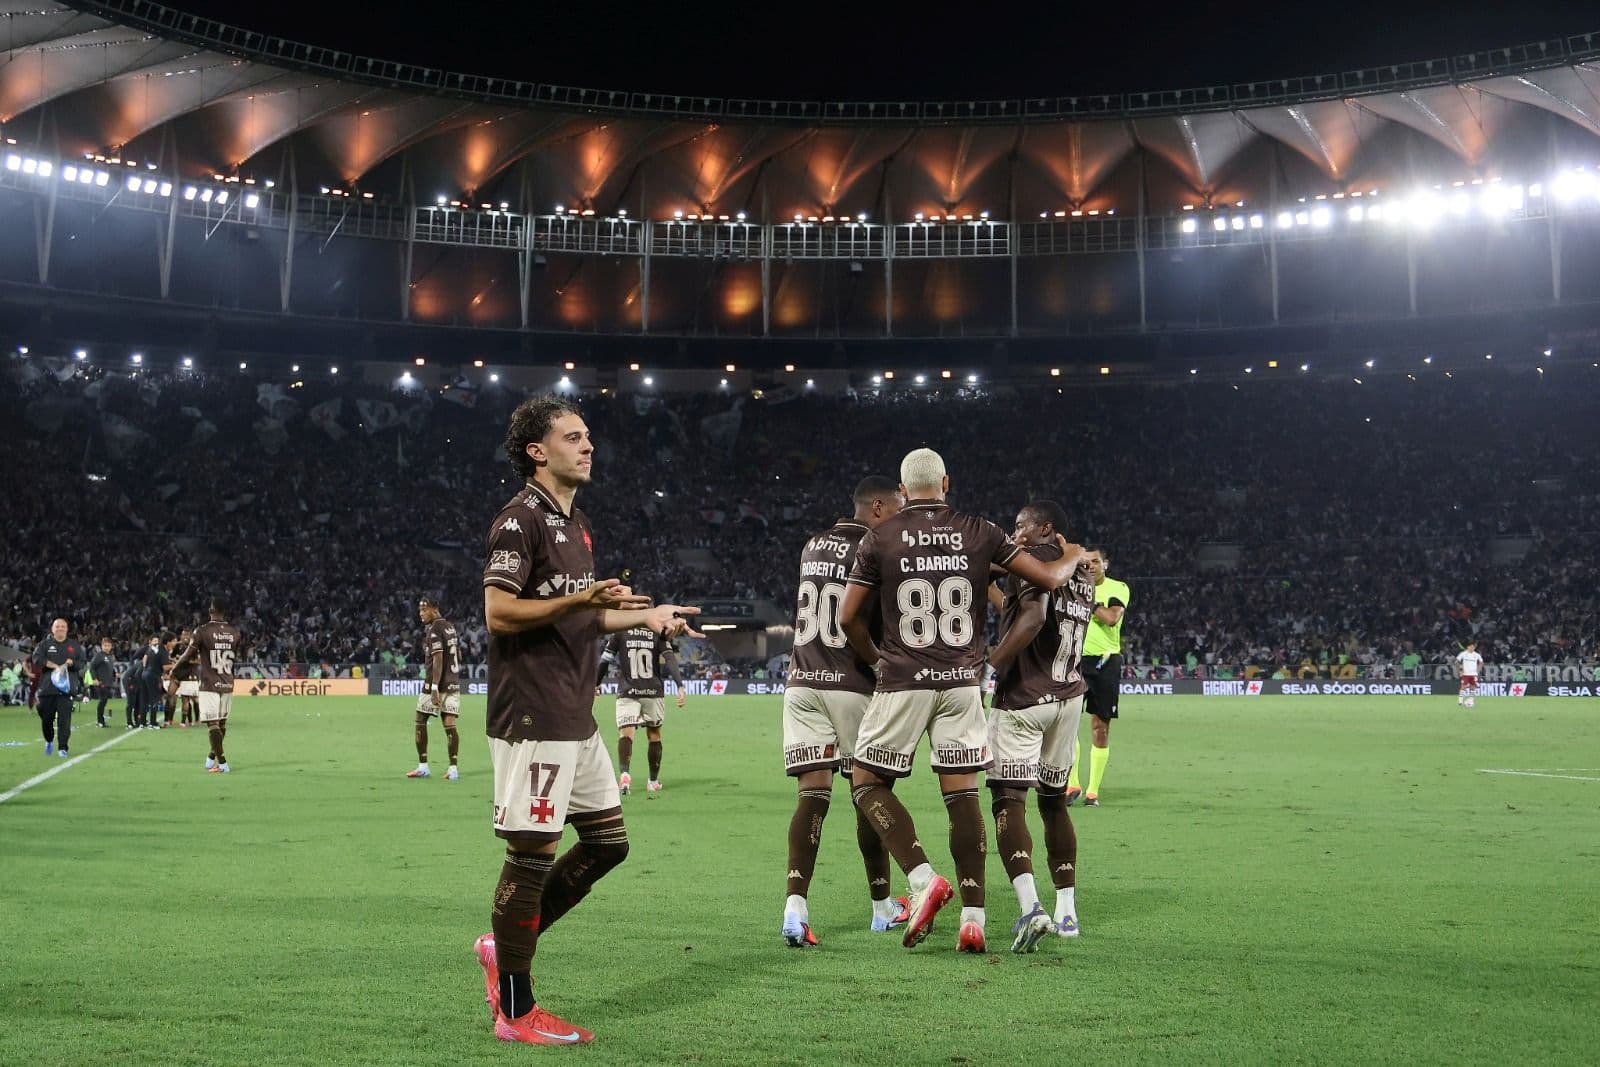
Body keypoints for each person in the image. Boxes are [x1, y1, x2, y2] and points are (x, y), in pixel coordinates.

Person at [474, 395, 703, 1046]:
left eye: (589, 435)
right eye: (574, 437)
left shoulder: (578, 526)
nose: (589, 445)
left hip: (575, 712)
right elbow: (498, 611)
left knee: (608, 844)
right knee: (531, 857)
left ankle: (503, 944)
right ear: (538, 452)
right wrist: (581, 598)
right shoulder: (519, 522)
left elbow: (585, 614)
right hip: (532, 711)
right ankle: (515, 1012)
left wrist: (648, 615)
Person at [839, 448, 1085, 954]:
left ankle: (924, 877)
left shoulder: (879, 537)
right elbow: (1052, 580)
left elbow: (847, 619)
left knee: (866, 784)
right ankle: (973, 919)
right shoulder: (981, 531)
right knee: (964, 795)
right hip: (961, 682)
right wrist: (1077, 554)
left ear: (903, 491)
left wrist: (878, 659)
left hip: (905, 678)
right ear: (946, 482)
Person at [778, 475, 910, 948]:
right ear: (877, 507)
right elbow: (869, 617)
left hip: (802, 681)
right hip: (852, 683)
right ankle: (882, 907)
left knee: (812, 796)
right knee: (869, 790)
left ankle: (795, 906)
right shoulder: (877, 547)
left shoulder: (812, 544)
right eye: (898, 509)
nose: (901, 519)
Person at [985, 502, 1096, 950]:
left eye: (1021, 526)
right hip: (1068, 698)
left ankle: (1032, 907)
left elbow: (1031, 618)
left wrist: (989, 666)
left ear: (1045, 528)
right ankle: (1068, 911)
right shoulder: (1083, 572)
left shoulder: (1039, 562)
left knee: (1008, 801)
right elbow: (1019, 606)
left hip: (1024, 698)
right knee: (1054, 803)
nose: (1016, 534)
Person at [598, 595, 686, 797]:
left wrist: (596, 683)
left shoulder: (621, 631)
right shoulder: (658, 632)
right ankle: (652, 782)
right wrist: (679, 685)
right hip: (652, 691)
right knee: (654, 735)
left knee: (626, 734)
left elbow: (605, 660)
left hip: (628, 691)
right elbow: (670, 660)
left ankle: (625, 777)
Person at [1067, 550, 1129, 807]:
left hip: (1105, 662)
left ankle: (1093, 791)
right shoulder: (1069, 587)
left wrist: (1088, 601)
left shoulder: (1117, 588)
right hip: (1074, 659)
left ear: (1106, 563)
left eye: (1095, 561)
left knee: (1099, 727)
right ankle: (1072, 784)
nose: (1090, 565)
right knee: (1067, 725)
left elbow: (1112, 618)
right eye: (1086, 562)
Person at [170, 599, 242, 773]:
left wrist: (175, 668)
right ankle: (212, 756)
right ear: (225, 612)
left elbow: (187, 656)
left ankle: (223, 763)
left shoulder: (202, 631)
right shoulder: (235, 633)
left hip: (209, 683)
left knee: (212, 725)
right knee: (221, 724)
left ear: (210, 610)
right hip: (227, 682)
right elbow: (235, 657)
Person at [406, 595, 462, 780]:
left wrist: (435, 687)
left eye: (424, 609)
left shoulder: (435, 630)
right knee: (449, 725)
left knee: (420, 719)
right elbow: (457, 654)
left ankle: (423, 767)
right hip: (453, 682)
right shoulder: (450, 627)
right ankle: (453, 769)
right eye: (420, 610)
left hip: (435, 684)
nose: (420, 613)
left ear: (434, 608)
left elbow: (437, 659)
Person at [31, 618, 84, 758]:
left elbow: (82, 663)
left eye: (63, 626)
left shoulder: (74, 646)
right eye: (57, 626)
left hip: (66, 688)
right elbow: (36, 659)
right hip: (47, 687)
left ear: (67, 629)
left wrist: (72, 663)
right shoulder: (44, 644)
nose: (60, 628)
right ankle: (49, 740)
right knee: (45, 717)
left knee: (64, 720)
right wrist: (55, 666)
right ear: (52, 629)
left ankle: (63, 747)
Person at [135, 634, 168, 729]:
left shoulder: (149, 650)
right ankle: (152, 723)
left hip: (144, 674)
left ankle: (142, 723)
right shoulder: (162, 650)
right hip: (153, 676)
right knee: (154, 698)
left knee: (144, 699)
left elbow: (144, 661)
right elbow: (164, 666)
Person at [170, 628, 201, 727]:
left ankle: (194, 720)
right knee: (185, 699)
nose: (184, 637)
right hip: (180, 676)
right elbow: (172, 656)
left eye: (187, 635)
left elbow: (199, 660)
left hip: (191, 676)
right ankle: (188, 721)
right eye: (183, 635)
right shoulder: (178, 646)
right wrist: (176, 661)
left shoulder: (194, 647)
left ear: (190, 636)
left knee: (193, 699)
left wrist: (186, 660)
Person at [87, 637, 117, 728]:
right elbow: (91, 667)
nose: (107, 647)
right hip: (101, 682)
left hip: (107, 682)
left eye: (108, 645)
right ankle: (100, 721)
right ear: (102, 646)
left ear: (111, 646)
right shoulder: (99, 655)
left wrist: (115, 675)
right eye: (105, 645)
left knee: (104, 701)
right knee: (102, 700)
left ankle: (101, 721)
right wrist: (94, 678)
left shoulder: (109, 656)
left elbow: (109, 669)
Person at [1455, 640, 1483, 708]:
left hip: (1473, 674)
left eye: (1473, 647)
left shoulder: (1476, 655)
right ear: (1467, 647)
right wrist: (1460, 671)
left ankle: (1471, 700)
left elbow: (1481, 663)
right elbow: (1457, 662)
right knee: (1463, 687)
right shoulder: (1463, 654)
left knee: (1473, 687)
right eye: (1471, 647)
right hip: (1466, 674)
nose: (1472, 648)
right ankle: (1460, 700)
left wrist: (1478, 670)